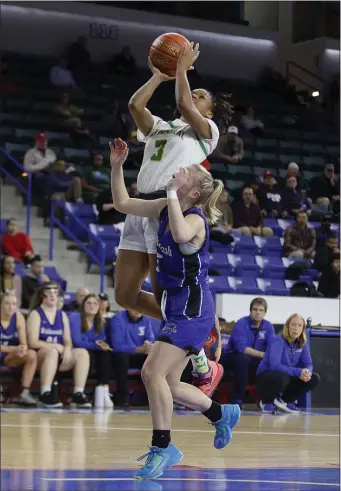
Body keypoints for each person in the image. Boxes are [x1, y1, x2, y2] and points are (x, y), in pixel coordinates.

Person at [110, 138, 240, 479]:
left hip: (194, 313)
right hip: (175, 309)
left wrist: (168, 193)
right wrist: (116, 166)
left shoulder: (195, 219)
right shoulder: (163, 210)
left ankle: (164, 446)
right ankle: (220, 414)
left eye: (186, 173)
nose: (179, 171)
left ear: (193, 192)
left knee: (151, 373)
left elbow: (181, 235)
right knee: (167, 381)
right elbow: (122, 203)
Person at [113, 43, 233, 397]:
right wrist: (158, 75)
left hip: (168, 212)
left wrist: (182, 69)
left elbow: (183, 103)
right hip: (140, 209)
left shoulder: (206, 133)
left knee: (166, 296)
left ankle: (196, 350)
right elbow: (135, 106)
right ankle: (200, 335)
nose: (193, 98)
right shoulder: (162, 128)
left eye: (201, 97)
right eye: (193, 93)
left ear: (209, 112)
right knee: (124, 296)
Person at [27, 282, 91, 408]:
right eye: (49, 292)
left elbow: (67, 340)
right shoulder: (36, 314)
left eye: (55, 293)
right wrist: (54, 346)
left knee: (82, 353)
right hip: (41, 357)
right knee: (52, 352)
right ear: (42, 296)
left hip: (59, 357)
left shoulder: (62, 315)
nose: (52, 296)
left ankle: (78, 393)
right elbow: (33, 342)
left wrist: (67, 348)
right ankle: (45, 393)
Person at [256, 314, 320, 413]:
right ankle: (266, 402)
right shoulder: (277, 340)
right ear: (287, 326)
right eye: (293, 324)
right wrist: (299, 372)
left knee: (313, 378)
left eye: (299, 325)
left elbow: (308, 363)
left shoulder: (302, 342)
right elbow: (274, 366)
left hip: (287, 375)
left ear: (303, 328)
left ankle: (284, 400)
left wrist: (307, 372)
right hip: (266, 378)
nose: (296, 328)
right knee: (283, 377)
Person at [220, 297, 275, 409]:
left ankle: (270, 400)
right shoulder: (241, 323)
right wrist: (263, 355)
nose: (257, 312)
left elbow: (272, 348)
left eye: (261, 310)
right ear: (251, 310)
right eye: (255, 309)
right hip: (231, 357)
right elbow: (241, 348)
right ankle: (237, 399)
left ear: (265, 312)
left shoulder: (268, 326)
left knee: (274, 363)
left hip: (253, 359)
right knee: (242, 359)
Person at [69, 294, 113, 408]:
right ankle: (79, 393)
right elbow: (77, 341)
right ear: (83, 305)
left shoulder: (100, 322)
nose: (92, 306)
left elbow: (100, 341)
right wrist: (97, 345)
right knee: (90, 356)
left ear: (99, 307)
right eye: (88, 303)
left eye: (95, 304)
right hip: (75, 351)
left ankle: (103, 388)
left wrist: (102, 345)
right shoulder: (75, 317)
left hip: (91, 351)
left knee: (106, 354)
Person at [108, 308, 155, 408]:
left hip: (139, 354)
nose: (137, 309)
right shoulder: (117, 319)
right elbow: (117, 346)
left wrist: (148, 343)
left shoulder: (146, 319)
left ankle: (147, 398)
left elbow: (150, 337)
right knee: (121, 358)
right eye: (133, 306)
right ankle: (122, 397)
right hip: (122, 355)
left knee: (153, 359)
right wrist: (139, 349)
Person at [0, 292, 38, 405]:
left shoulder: (18, 317)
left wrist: (22, 349)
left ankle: (24, 393)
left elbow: (24, 343)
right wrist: (14, 349)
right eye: (7, 303)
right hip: (6, 351)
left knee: (31, 354)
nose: (11, 307)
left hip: (8, 356)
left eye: (14, 304)